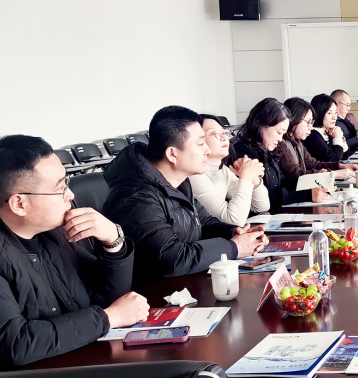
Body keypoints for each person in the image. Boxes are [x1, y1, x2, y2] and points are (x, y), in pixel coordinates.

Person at [0, 135, 149, 377]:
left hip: (58, 359)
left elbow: (106, 298)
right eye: (60, 188)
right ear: (19, 204)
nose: (70, 195)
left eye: (66, 183)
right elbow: (14, 344)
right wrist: (108, 318)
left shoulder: (48, 227)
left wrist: (113, 241)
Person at [103, 105, 268, 289]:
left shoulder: (179, 182)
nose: (207, 150)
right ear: (172, 154)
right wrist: (233, 248)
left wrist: (234, 233)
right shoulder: (136, 198)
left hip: (186, 286)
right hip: (156, 296)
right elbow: (171, 258)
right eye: (200, 144)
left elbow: (205, 222)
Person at [190, 114, 269, 227]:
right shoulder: (194, 176)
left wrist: (253, 178)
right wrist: (246, 177)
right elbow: (233, 220)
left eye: (223, 132)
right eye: (213, 133)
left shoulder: (222, 170)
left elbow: (261, 206)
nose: (224, 138)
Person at [277, 98, 358, 197]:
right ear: (293, 120)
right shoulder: (281, 143)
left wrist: (339, 166)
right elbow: (295, 175)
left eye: (311, 122)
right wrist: (333, 174)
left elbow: (313, 164)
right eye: (307, 122)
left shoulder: (297, 141)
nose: (310, 127)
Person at [304, 93, 349, 163]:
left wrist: (340, 137)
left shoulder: (327, 132)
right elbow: (333, 160)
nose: (334, 117)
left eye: (335, 113)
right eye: (329, 113)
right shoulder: (313, 135)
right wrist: (337, 137)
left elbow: (345, 153)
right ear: (319, 113)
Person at [331, 89, 358, 158]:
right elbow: (339, 145)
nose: (348, 109)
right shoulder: (333, 123)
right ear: (336, 104)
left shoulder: (346, 119)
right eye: (347, 105)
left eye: (349, 106)